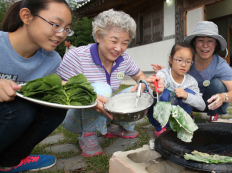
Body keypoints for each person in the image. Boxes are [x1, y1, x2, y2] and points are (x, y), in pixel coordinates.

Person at [0, 0, 73, 172]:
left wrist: (86, 94)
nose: (62, 34)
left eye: (66, 28)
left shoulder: (52, 59)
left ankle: (6, 163)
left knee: (55, 107)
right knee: (18, 109)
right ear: (26, 16)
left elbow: (45, 92)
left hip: (6, 117)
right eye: (55, 24)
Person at [55, 9, 164, 157]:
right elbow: (58, 88)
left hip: (104, 111)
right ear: (99, 36)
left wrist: (143, 84)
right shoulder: (77, 56)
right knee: (102, 88)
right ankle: (88, 135)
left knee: (135, 90)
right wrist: (88, 96)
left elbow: (139, 75)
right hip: (74, 116)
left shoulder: (124, 59)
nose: (118, 48)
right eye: (113, 41)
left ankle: (112, 127)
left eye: (124, 43)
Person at [151, 21, 232, 122]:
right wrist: (168, 73)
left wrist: (223, 96)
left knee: (218, 84)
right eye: (201, 40)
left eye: (210, 41)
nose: (205, 45)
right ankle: (187, 111)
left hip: (210, 103)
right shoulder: (187, 57)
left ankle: (214, 113)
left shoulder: (221, 65)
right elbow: (175, 72)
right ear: (194, 42)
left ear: (216, 44)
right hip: (187, 98)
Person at [148, 42, 205, 137]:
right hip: (159, 117)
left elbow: (202, 106)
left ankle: (180, 124)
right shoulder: (163, 74)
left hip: (177, 116)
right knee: (164, 93)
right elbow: (151, 93)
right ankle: (160, 127)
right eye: (179, 60)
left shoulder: (191, 82)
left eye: (188, 61)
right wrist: (157, 90)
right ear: (170, 59)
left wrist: (187, 96)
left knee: (189, 93)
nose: (183, 65)